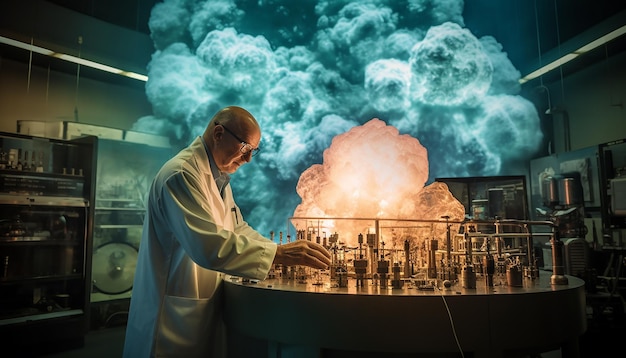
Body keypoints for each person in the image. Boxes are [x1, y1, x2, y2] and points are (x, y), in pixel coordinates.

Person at [123, 106, 331, 358]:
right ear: (219, 133)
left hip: (198, 310)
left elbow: (237, 228)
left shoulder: (216, 177)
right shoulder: (180, 175)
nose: (248, 159)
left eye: (253, 151)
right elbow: (208, 246)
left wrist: (284, 254)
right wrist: (279, 253)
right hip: (170, 319)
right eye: (245, 148)